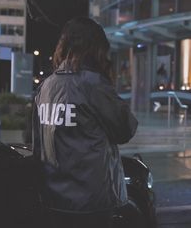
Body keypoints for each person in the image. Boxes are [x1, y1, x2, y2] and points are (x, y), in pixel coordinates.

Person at [32, 17, 138, 228]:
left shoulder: (46, 87)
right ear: (95, 49)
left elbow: (36, 142)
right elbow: (125, 129)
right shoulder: (93, 84)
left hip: (52, 199)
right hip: (91, 203)